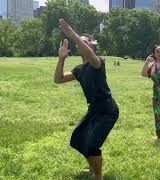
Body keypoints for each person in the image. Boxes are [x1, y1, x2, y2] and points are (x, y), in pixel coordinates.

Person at [54, 19, 119, 180]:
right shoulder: (79, 69)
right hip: (94, 110)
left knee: (92, 144)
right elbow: (58, 79)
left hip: (107, 110)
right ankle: (91, 168)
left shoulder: (98, 63)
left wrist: (71, 33)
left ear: (92, 46)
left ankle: (98, 177)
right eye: (79, 42)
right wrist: (61, 58)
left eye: (85, 41)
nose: (79, 44)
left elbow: (90, 55)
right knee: (78, 139)